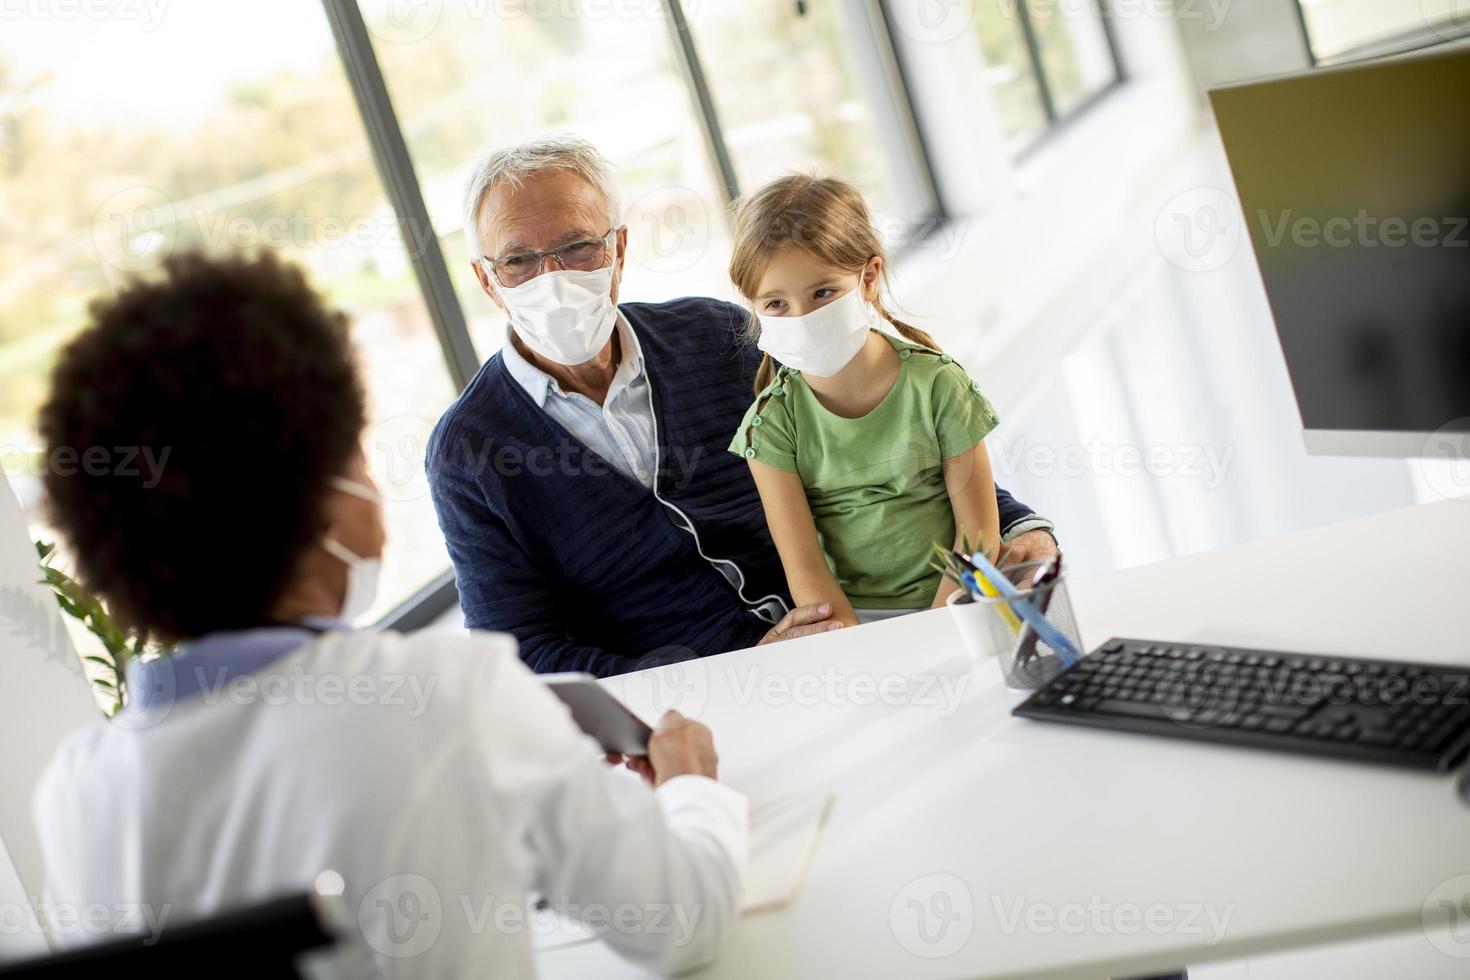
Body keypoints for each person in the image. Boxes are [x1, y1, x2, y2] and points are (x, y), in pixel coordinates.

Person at [31, 252, 746, 978]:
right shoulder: (452, 698)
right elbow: (682, 924)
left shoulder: (75, 793)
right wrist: (691, 787)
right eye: (359, 450)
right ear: (322, 495)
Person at [426, 135, 1061, 676]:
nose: (553, 277)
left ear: (618, 249)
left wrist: (1016, 526)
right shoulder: (468, 451)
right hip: (699, 706)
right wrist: (722, 671)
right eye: (518, 260)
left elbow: (886, 446)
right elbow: (520, 659)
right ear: (486, 279)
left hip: (857, 630)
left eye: (578, 248)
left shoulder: (715, 336)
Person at [728, 175, 1001, 627]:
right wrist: (864, 650)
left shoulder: (938, 386)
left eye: (823, 293)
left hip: (962, 604)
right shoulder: (770, 427)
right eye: (776, 304)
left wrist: (938, 629)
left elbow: (978, 538)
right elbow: (806, 572)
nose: (804, 318)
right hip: (851, 624)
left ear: (868, 278)